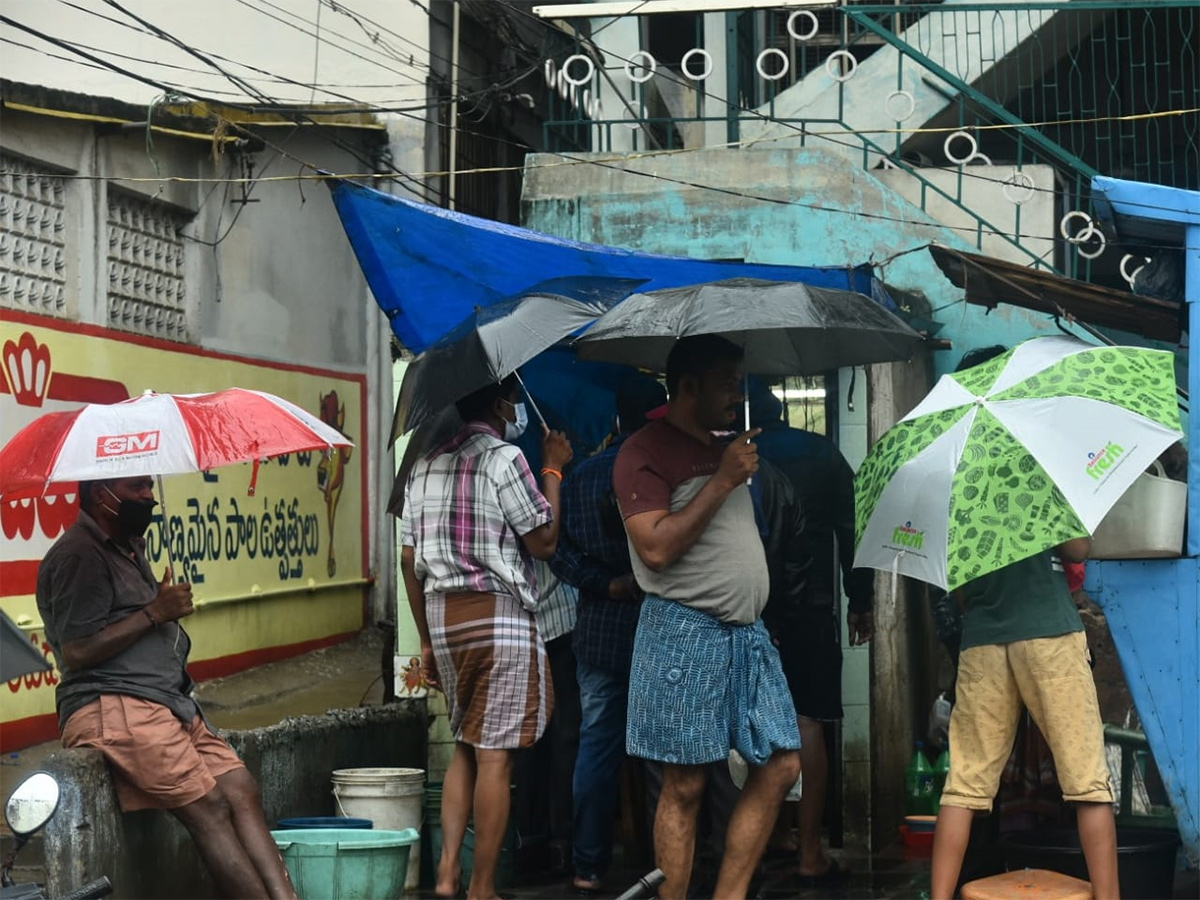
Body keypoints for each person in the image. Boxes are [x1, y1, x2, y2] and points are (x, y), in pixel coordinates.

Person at [36, 476, 298, 900]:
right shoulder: (78, 556)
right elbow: (78, 650)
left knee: (240, 788)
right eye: (137, 488)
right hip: (113, 702)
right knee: (209, 808)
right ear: (103, 495)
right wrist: (155, 612)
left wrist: (159, 604)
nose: (149, 497)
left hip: (165, 700)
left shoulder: (128, 545)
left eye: (149, 487)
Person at [614, 335, 801, 900]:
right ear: (688, 386)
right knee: (686, 784)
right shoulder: (641, 452)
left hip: (747, 635)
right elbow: (656, 550)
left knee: (783, 762)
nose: (738, 393)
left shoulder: (731, 449)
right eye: (728, 382)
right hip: (682, 632)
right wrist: (722, 480)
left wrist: (729, 471)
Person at [400, 373, 573, 900]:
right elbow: (543, 542)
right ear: (500, 402)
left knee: (467, 749)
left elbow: (409, 560)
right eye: (516, 397)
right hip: (497, 618)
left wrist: (427, 640)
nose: (519, 406)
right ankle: (482, 887)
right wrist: (553, 469)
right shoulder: (504, 459)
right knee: (498, 756)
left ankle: (448, 876)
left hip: (445, 619)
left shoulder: (423, 464)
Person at [929, 540, 1120, 900]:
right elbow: (1079, 549)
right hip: (1049, 630)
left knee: (964, 787)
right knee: (1088, 782)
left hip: (983, 638)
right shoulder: (1040, 480)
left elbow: (959, 592)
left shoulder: (957, 490)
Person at [747, 377, 873, 885]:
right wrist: (858, 600)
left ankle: (768, 836)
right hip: (812, 606)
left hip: (751, 607)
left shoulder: (734, 458)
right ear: (782, 411)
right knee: (809, 722)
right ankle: (810, 852)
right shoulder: (821, 454)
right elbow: (853, 527)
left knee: (755, 725)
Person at [549, 373, 666, 893]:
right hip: (662, 630)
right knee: (666, 753)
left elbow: (561, 554)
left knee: (597, 749)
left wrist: (605, 584)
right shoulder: (665, 471)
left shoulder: (583, 477)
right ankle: (668, 862)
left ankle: (588, 865)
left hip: (599, 630)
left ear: (618, 418)